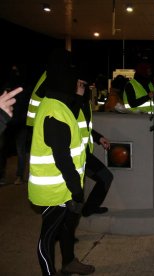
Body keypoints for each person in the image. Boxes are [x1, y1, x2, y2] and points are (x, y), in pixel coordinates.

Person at [28, 48, 95, 275]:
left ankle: (69, 262)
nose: (78, 83)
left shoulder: (60, 103)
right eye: (74, 77)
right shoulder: (54, 111)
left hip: (64, 186)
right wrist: (76, 189)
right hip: (54, 189)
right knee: (47, 238)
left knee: (67, 228)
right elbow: (62, 158)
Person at [77, 84, 114, 217]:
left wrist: (99, 138)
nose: (82, 87)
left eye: (83, 84)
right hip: (76, 156)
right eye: (79, 84)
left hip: (83, 154)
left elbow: (85, 129)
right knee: (105, 178)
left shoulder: (83, 103)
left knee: (106, 177)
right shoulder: (71, 104)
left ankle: (89, 208)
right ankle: (86, 210)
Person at [1, 65, 31, 185]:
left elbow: (25, 106)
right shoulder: (7, 86)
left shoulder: (22, 88)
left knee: (20, 150)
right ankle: (3, 176)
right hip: (8, 123)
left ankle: (19, 175)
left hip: (19, 124)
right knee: (5, 150)